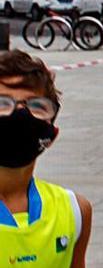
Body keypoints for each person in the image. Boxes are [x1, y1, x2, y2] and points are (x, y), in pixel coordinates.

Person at [0, 51, 94, 268]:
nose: (20, 114)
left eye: (36, 106)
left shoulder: (74, 211)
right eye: (3, 103)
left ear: (51, 134)